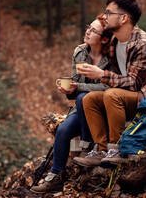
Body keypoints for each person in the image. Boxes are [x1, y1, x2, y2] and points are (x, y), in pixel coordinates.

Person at [73, 0, 146, 167]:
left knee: (111, 95)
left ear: (124, 18)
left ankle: (116, 149)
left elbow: (134, 84)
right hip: (129, 96)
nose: (104, 16)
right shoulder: (114, 41)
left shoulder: (143, 43)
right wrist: (84, 47)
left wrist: (101, 74)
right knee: (89, 99)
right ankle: (101, 150)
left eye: (109, 13)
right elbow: (95, 43)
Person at [30, 14, 114, 194]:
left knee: (83, 98)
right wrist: (70, 89)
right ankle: (55, 176)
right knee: (62, 130)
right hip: (81, 108)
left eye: (93, 31)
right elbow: (75, 83)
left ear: (105, 39)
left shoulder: (113, 58)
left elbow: (109, 85)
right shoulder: (80, 53)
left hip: (105, 109)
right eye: (88, 28)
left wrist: (79, 89)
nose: (88, 32)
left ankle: (87, 145)